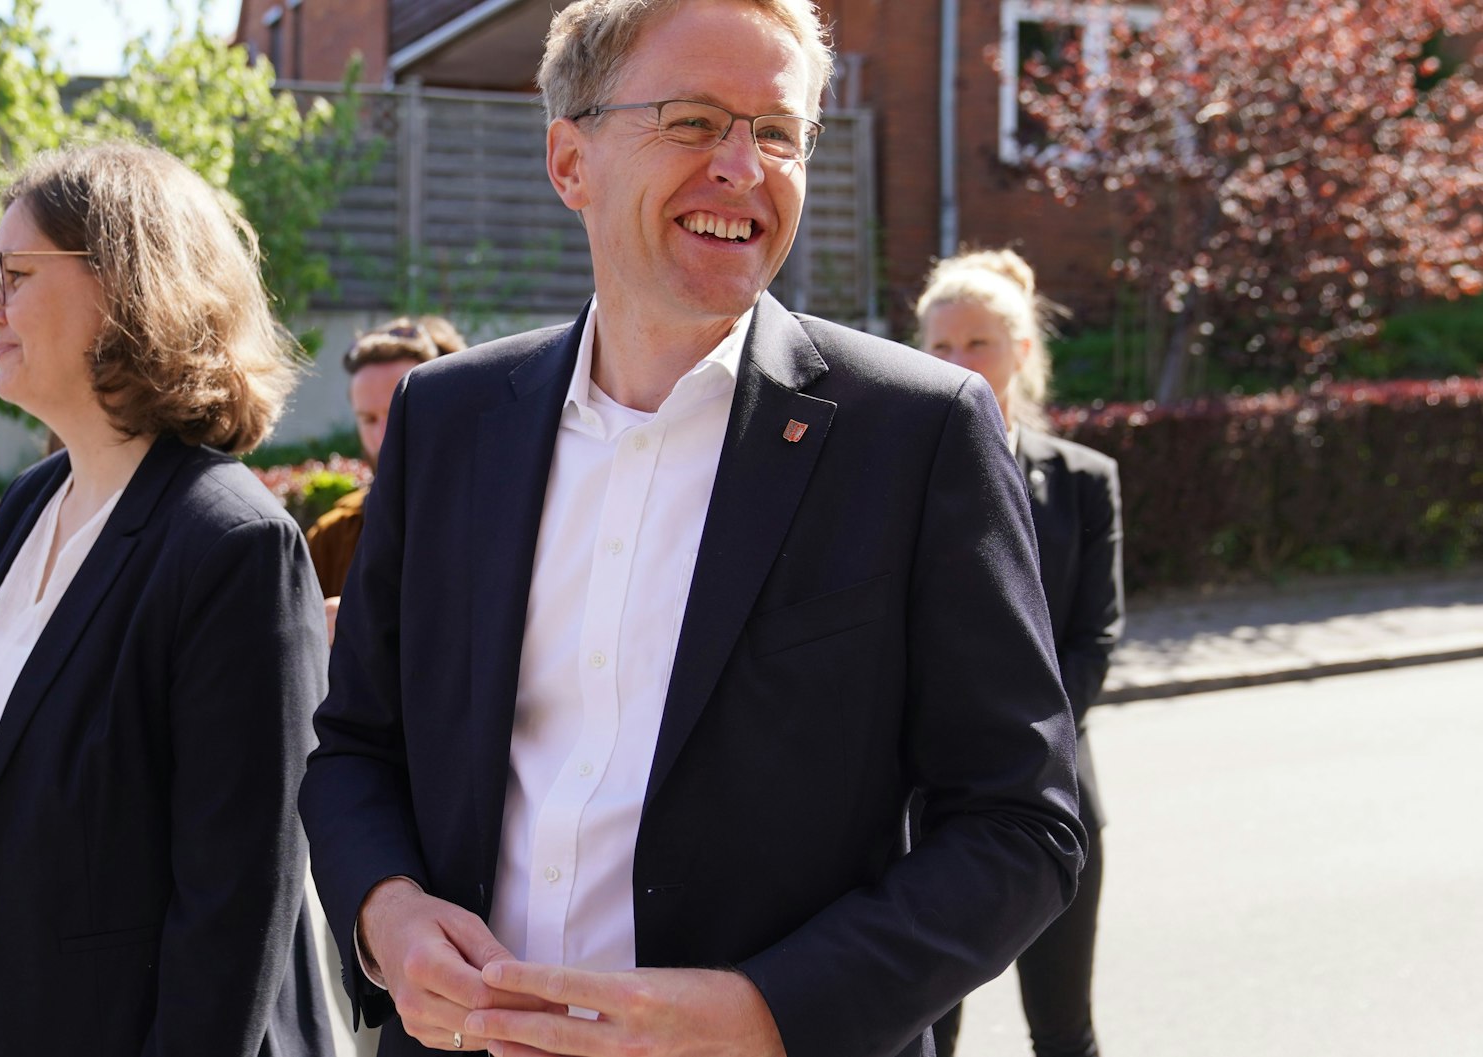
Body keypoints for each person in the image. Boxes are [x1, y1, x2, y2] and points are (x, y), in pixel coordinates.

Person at [297, 1, 1088, 1055]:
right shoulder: (446, 422)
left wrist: (771, 1012)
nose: (741, 166)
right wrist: (383, 913)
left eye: (775, 131)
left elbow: (1020, 822)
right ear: (569, 162)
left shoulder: (915, 435)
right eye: (689, 120)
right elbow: (354, 745)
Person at [0, 142, 330, 1057]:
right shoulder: (28, 505)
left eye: (13, 276)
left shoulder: (230, 543)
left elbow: (236, 906)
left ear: (126, 287)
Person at [916, 249, 1124, 1057]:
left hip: (1058, 798)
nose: (960, 363)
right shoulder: (904, 474)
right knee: (928, 1029)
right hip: (928, 811)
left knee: (1063, 1029)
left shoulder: (1082, 480)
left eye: (979, 344)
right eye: (941, 347)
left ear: (1022, 351)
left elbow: (1093, 641)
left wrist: (1018, 749)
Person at [306, 316, 466, 630]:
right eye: (368, 419)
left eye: (398, 413)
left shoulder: (496, 522)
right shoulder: (333, 537)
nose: (383, 436)